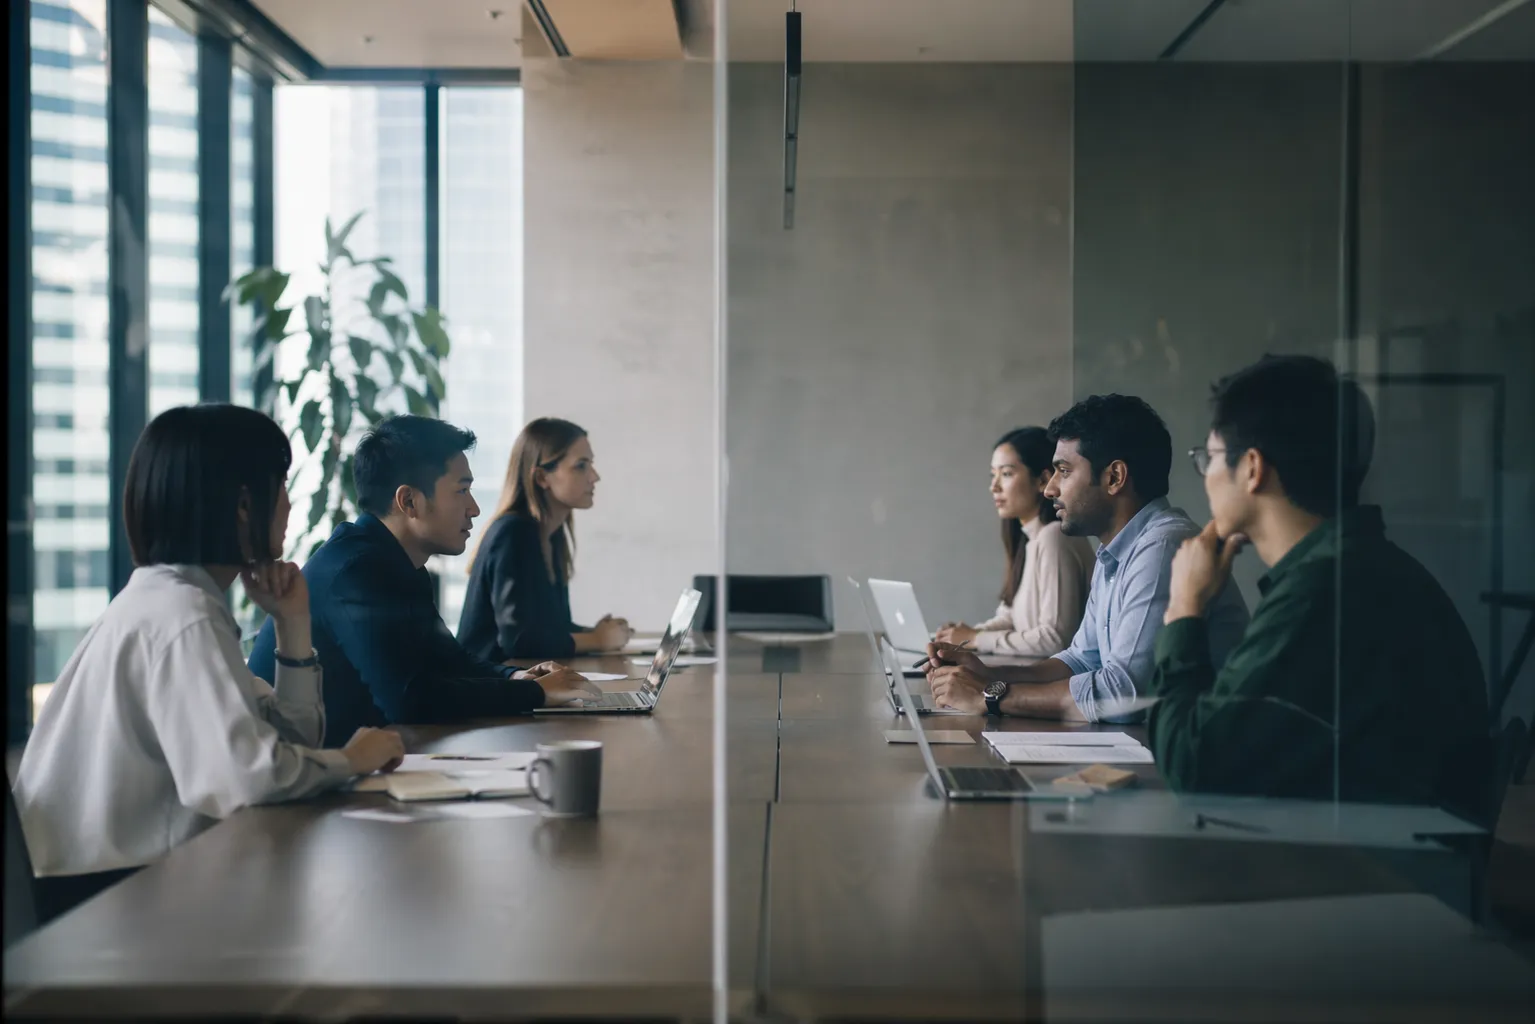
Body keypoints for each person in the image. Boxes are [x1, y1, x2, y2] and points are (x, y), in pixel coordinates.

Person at [13, 405, 406, 924]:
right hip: (107, 904)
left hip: (115, 887)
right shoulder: (183, 614)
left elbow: (291, 744)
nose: (288, 503)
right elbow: (248, 779)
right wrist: (354, 759)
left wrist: (293, 624)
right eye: (280, 484)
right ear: (244, 506)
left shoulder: (177, 599)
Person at [1148, 355, 1490, 817]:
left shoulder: (1324, 593)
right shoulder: (1358, 569)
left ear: (1252, 468)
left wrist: (1185, 608)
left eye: (1208, 458)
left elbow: (1196, 769)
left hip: (1362, 873)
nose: (1205, 475)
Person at [248, 415, 600, 744]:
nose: (475, 508)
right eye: (461, 491)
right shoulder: (356, 571)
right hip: (308, 792)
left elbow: (448, 658)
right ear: (409, 501)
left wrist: (516, 677)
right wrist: (536, 694)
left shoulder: (395, 560)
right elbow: (409, 699)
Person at [926, 394, 1249, 720]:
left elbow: (1123, 692)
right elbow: (1082, 659)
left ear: (1114, 477)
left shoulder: (1162, 547)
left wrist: (992, 697)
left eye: (1063, 471)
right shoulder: (1114, 551)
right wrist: (987, 675)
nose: (1050, 489)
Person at [458, 418, 633, 662]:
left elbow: (549, 629)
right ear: (542, 477)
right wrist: (597, 640)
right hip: (488, 687)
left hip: (517, 682)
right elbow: (519, 641)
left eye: (591, 464)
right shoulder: (514, 533)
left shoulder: (551, 535)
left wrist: (598, 633)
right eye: (581, 466)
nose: (595, 477)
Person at [935, 427, 1094, 661]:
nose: (994, 486)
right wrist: (960, 637)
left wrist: (977, 639)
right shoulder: (1027, 540)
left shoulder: (1054, 537)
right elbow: (1010, 618)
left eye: (1006, 474)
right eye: (993, 475)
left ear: (1042, 480)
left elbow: (1055, 639)